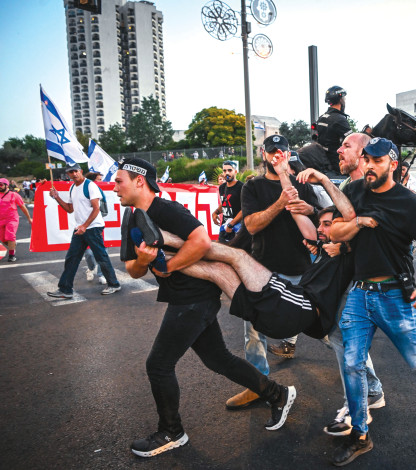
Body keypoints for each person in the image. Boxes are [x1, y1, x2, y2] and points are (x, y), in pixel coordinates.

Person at [114, 158, 296, 458]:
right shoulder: (132, 218)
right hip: (182, 297)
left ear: (139, 181)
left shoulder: (166, 210)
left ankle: (172, 432)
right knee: (218, 359)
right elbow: (132, 269)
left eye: (119, 180)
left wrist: (168, 266)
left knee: (158, 365)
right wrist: (145, 261)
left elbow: (201, 241)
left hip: (196, 297)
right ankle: (278, 394)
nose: (114, 186)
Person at [329, 137, 416, 466]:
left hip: (396, 295)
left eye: (377, 161)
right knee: (352, 363)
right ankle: (360, 434)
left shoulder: (409, 203)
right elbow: (334, 232)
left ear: (393, 165)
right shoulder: (353, 193)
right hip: (359, 294)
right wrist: (357, 222)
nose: (368, 166)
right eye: (365, 159)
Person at [225, 135, 319, 410]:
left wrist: (310, 208)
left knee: (328, 330)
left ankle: (369, 387)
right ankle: (259, 385)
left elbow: (319, 217)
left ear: (290, 154)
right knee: (254, 332)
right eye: (272, 151)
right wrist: (280, 202)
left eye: (282, 151)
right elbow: (252, 226)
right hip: (262, 269)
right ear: (264, 155)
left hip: (301, 269)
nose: (277, 155)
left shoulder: (302, 183)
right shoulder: (253, 186)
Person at [323, 132, 387, 437]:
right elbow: (342, 226)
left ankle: (359, 405)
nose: (339, 149)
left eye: (346, 145)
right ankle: (369, 392)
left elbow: (380, 235)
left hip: (375, 280)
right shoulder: (349, 187)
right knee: (339, 333)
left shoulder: (379, 189)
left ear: (363, 154)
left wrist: (343, 245)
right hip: (352, 273)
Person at [47, 163, 120, 298]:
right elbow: (69, 209)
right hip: (81, 228)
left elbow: (96, 208)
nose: (74, 174)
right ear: (68, 174)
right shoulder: (73, 188)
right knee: (72, 258)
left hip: (92, 227)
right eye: (71, 172)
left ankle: (114, 284)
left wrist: (84, 226)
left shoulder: (90, 186)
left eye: (76, 171)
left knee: (101, 257)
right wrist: (57, 197)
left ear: (81, 171)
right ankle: (65, 289)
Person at [315, 86, 352, 175]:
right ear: (340, 100)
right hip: (336, 164)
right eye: (344, 98)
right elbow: (352, 142)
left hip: (324, 162)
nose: (345, 101)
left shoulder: (322, 117)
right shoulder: (339, 119)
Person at [82, 171, 106, 284]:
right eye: (99, 180)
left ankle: (101, 274)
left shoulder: (101, 192)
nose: (102, 182)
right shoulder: (83, 190)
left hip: (97, 226)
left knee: (102, 251)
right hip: (84, 226)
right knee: (89, 253)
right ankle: (91, 268)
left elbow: (105, 211)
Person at [0, 177, 32, 262]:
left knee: (10, 236)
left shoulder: (14, 195)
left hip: (12, 218)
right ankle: (13, 245)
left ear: (7, 185)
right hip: (1, 220)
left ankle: (11, 255)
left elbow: (23, 207)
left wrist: (29, 218)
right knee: (3, 239)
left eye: (1, 185)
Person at [212, 160, 243, 244]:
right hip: (225, 226)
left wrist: (231, 224)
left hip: (238, 228)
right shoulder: (222, 187)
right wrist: (215, 213)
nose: (227, 173)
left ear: (235, 172)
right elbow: (225, 203)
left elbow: (245, 209)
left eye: (230, 170)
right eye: (224, 171)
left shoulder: (242, 187)